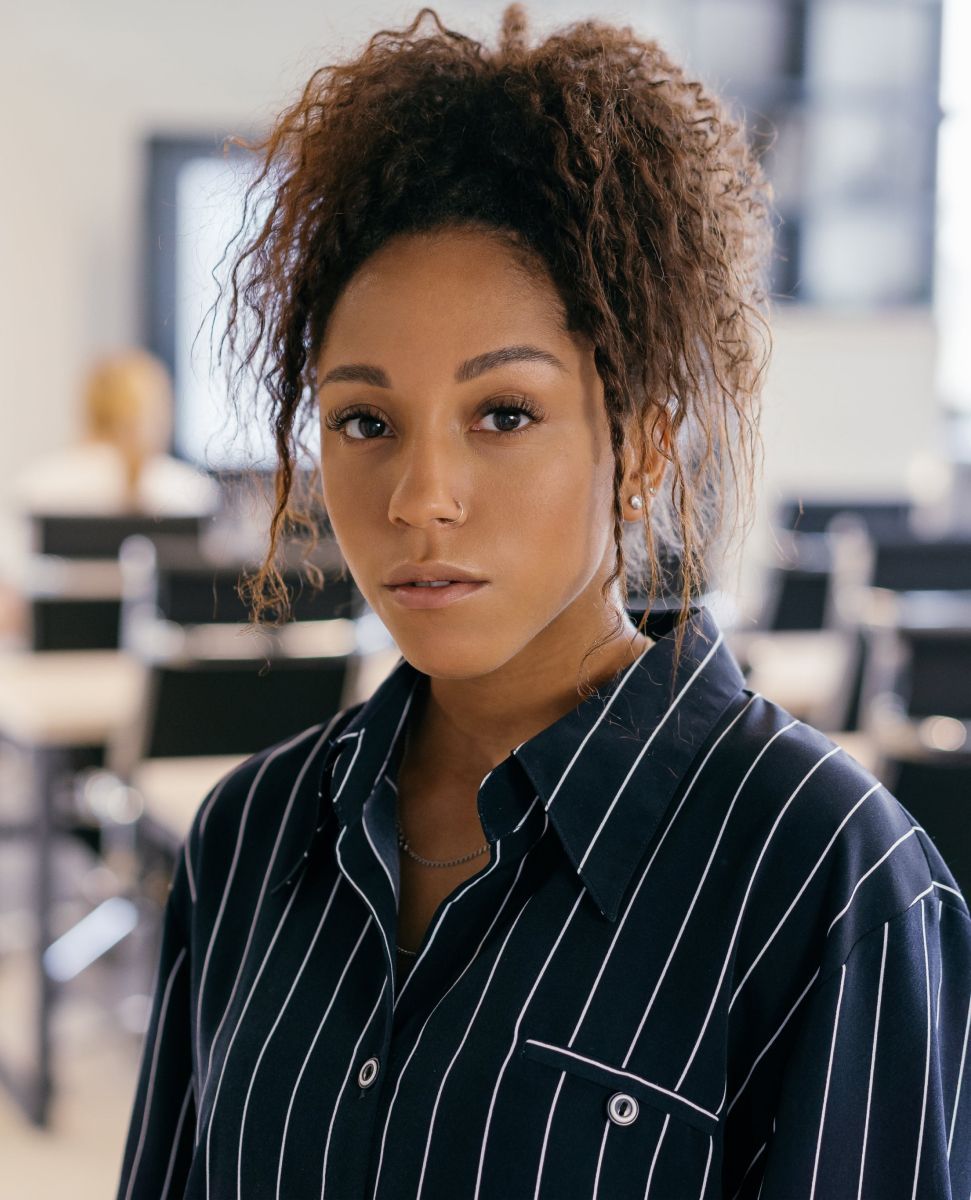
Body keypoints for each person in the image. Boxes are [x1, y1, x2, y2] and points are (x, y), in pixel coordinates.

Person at [115, 7, 971, 1198]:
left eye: (503, 414)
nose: (422, 498)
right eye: (365, 420)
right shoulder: (249, 839)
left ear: (644, 444)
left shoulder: (825, 880)